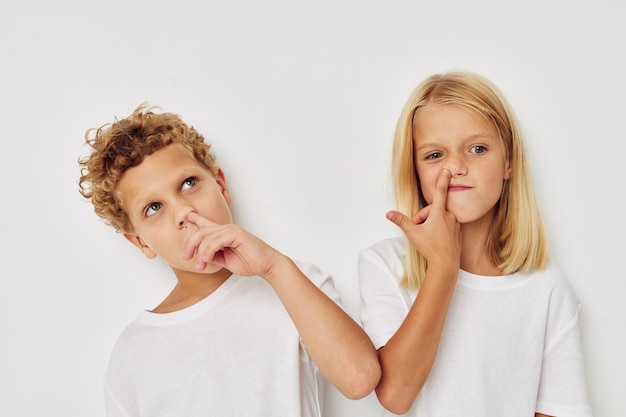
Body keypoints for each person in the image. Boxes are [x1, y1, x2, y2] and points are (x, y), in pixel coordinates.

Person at [78, 104, 380, 417]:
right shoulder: (133, 352)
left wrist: (273, 267)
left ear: (221, 185)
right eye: (154, 207)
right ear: (140, 241)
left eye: (189, 183)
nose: (183, 212)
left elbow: (360, 379)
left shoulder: (292, 283)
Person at [358, 71, 593, 417]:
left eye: (477, 149)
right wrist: (442, 267)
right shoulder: (385, 266)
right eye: (435, 155)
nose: (455, 166)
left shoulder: (546, 287)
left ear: (508, 162)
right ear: (415, 171)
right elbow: (396, 394)